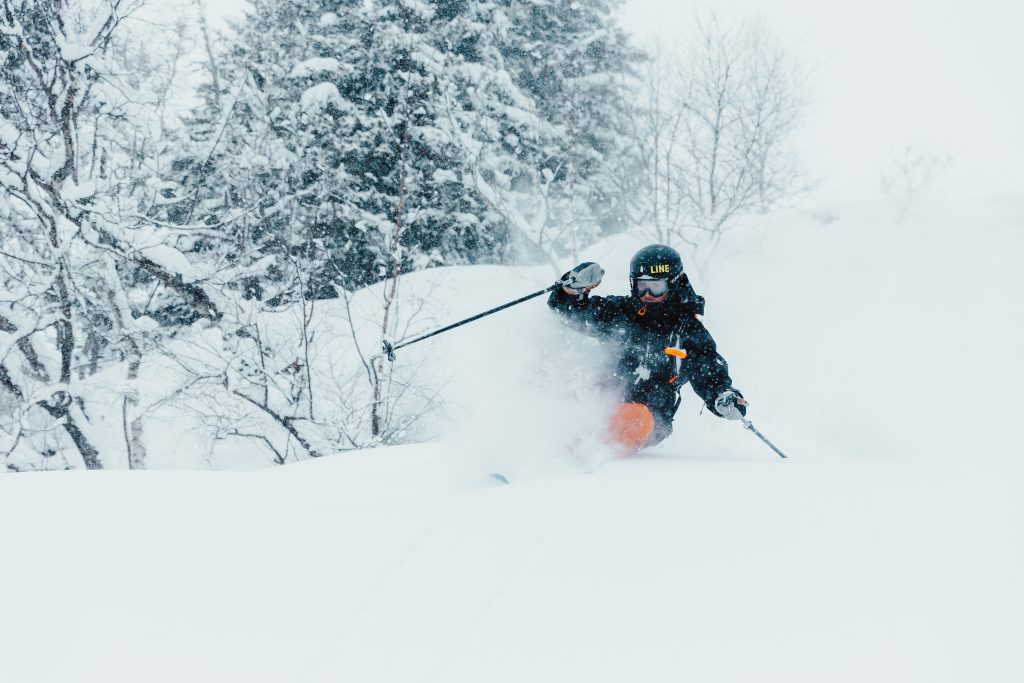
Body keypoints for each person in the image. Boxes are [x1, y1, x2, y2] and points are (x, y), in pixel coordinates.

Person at [548, 244, 747, 454]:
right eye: (642, 286)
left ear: (673, 284)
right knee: (565, 396)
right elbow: (569, 312)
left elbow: (708, 370)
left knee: (630, 417)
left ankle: (588, 456)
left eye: (656, 287)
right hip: (606, 397)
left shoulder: (687, 330)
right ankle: (544, 447)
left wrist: (723, 396)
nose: (648, 294)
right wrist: (571, 289)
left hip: (651, 414)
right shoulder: (621, 313)